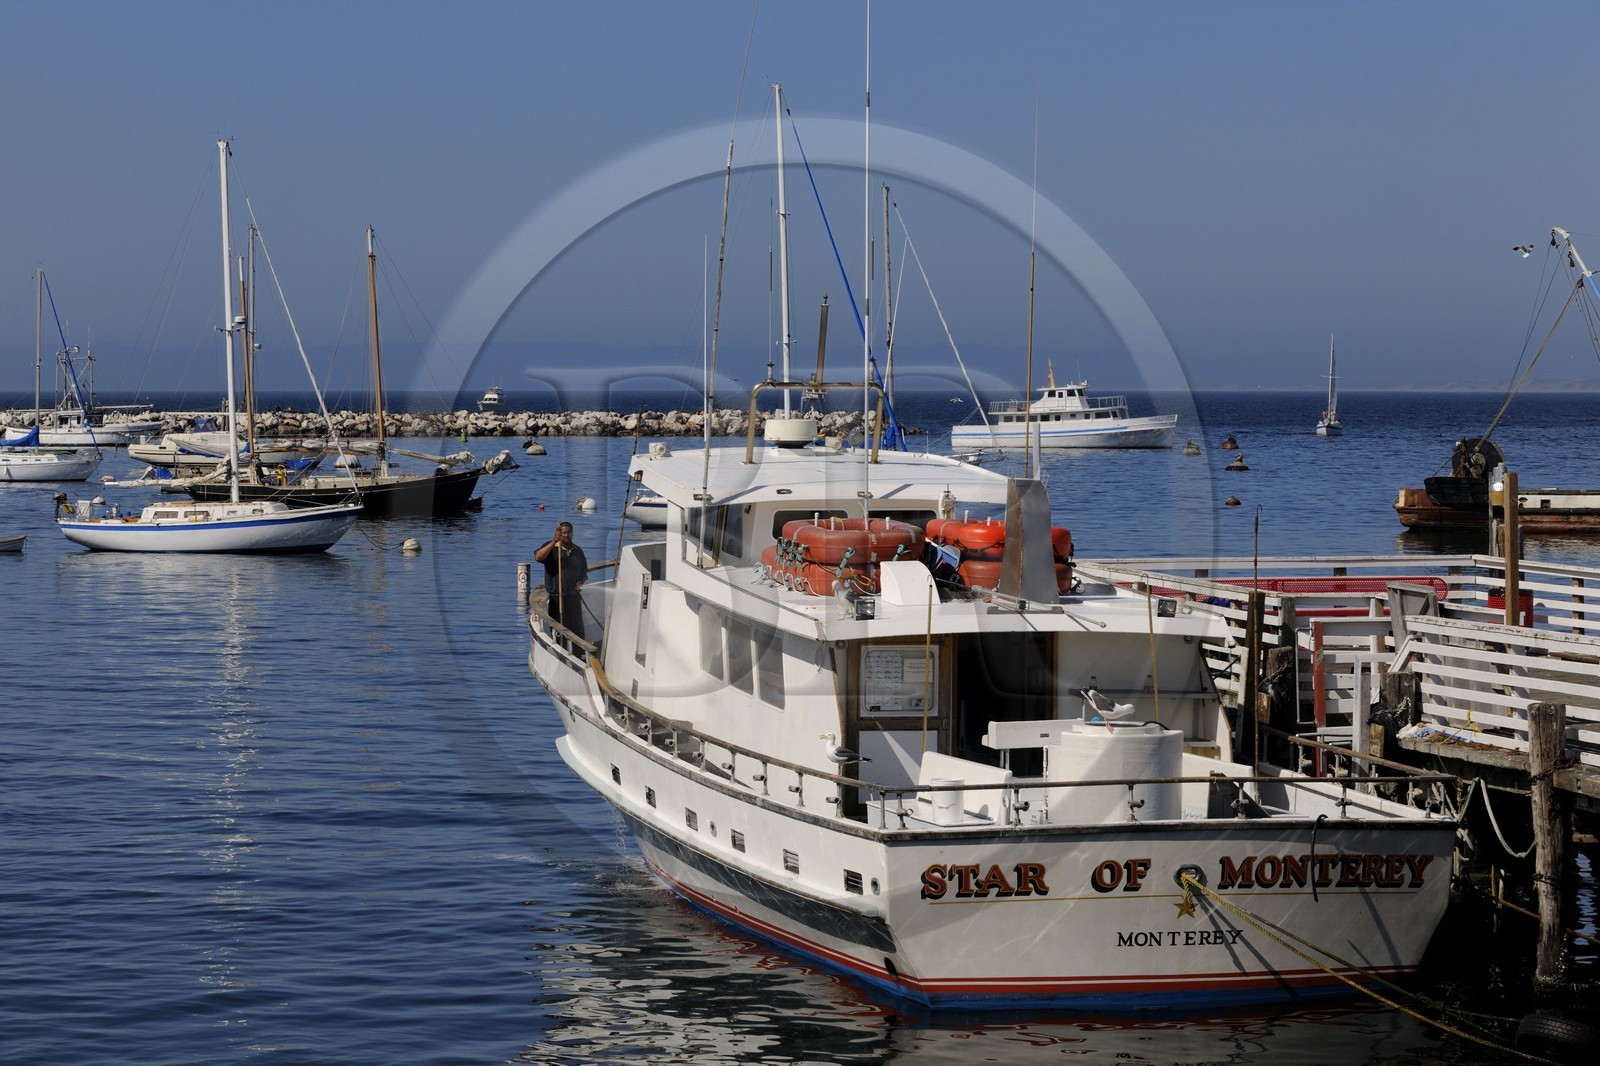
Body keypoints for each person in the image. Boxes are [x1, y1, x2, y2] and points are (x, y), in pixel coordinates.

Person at [534, 520, 589, 641]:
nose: (566, 535)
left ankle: (578, 651)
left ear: (572, 534)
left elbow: (584, 572)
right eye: (563, 533)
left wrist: (581, 581)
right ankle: (560, 649)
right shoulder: (552, 548)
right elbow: (538, 557)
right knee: (559, 632)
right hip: (557, 598)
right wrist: (554, 541)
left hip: (574, 597)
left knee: (577, 631)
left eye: (569, 533)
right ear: (559, 533)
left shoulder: (577, 551)